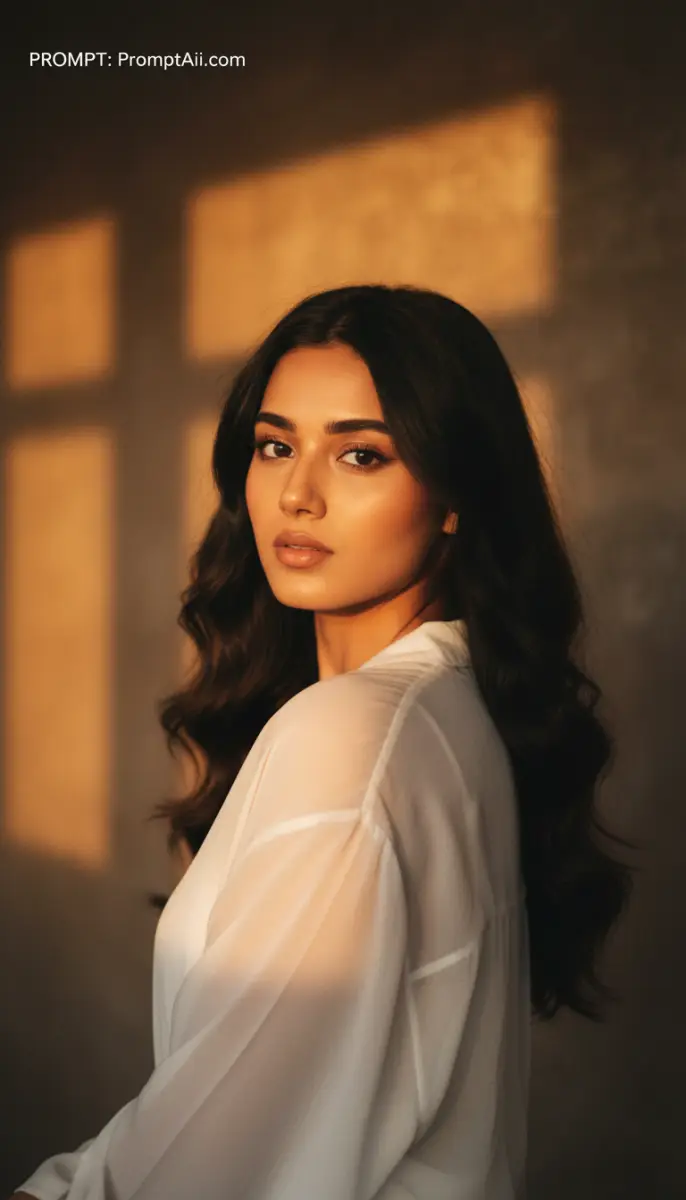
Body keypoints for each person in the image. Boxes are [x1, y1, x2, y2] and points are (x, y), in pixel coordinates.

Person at [13, 284, 635, 1200]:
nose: (297, 495)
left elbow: (217, 1159)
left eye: (360, 454)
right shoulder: (449, 712)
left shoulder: (353, 737)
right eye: (275, 446)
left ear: (456, 496)